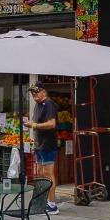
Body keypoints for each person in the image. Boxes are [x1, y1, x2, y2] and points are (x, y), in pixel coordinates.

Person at [26, 82, 62, 212]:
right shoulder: (38, 105)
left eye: (36, 92)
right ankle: (43, 200)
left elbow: (52, 124)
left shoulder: (49, 104)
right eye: (32, 92)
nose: (34, 95)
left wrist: (34, 126)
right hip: (39, 144)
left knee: (48, 174)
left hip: (48, 144)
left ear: (44, 92)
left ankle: (52, 204)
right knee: (40, 174)